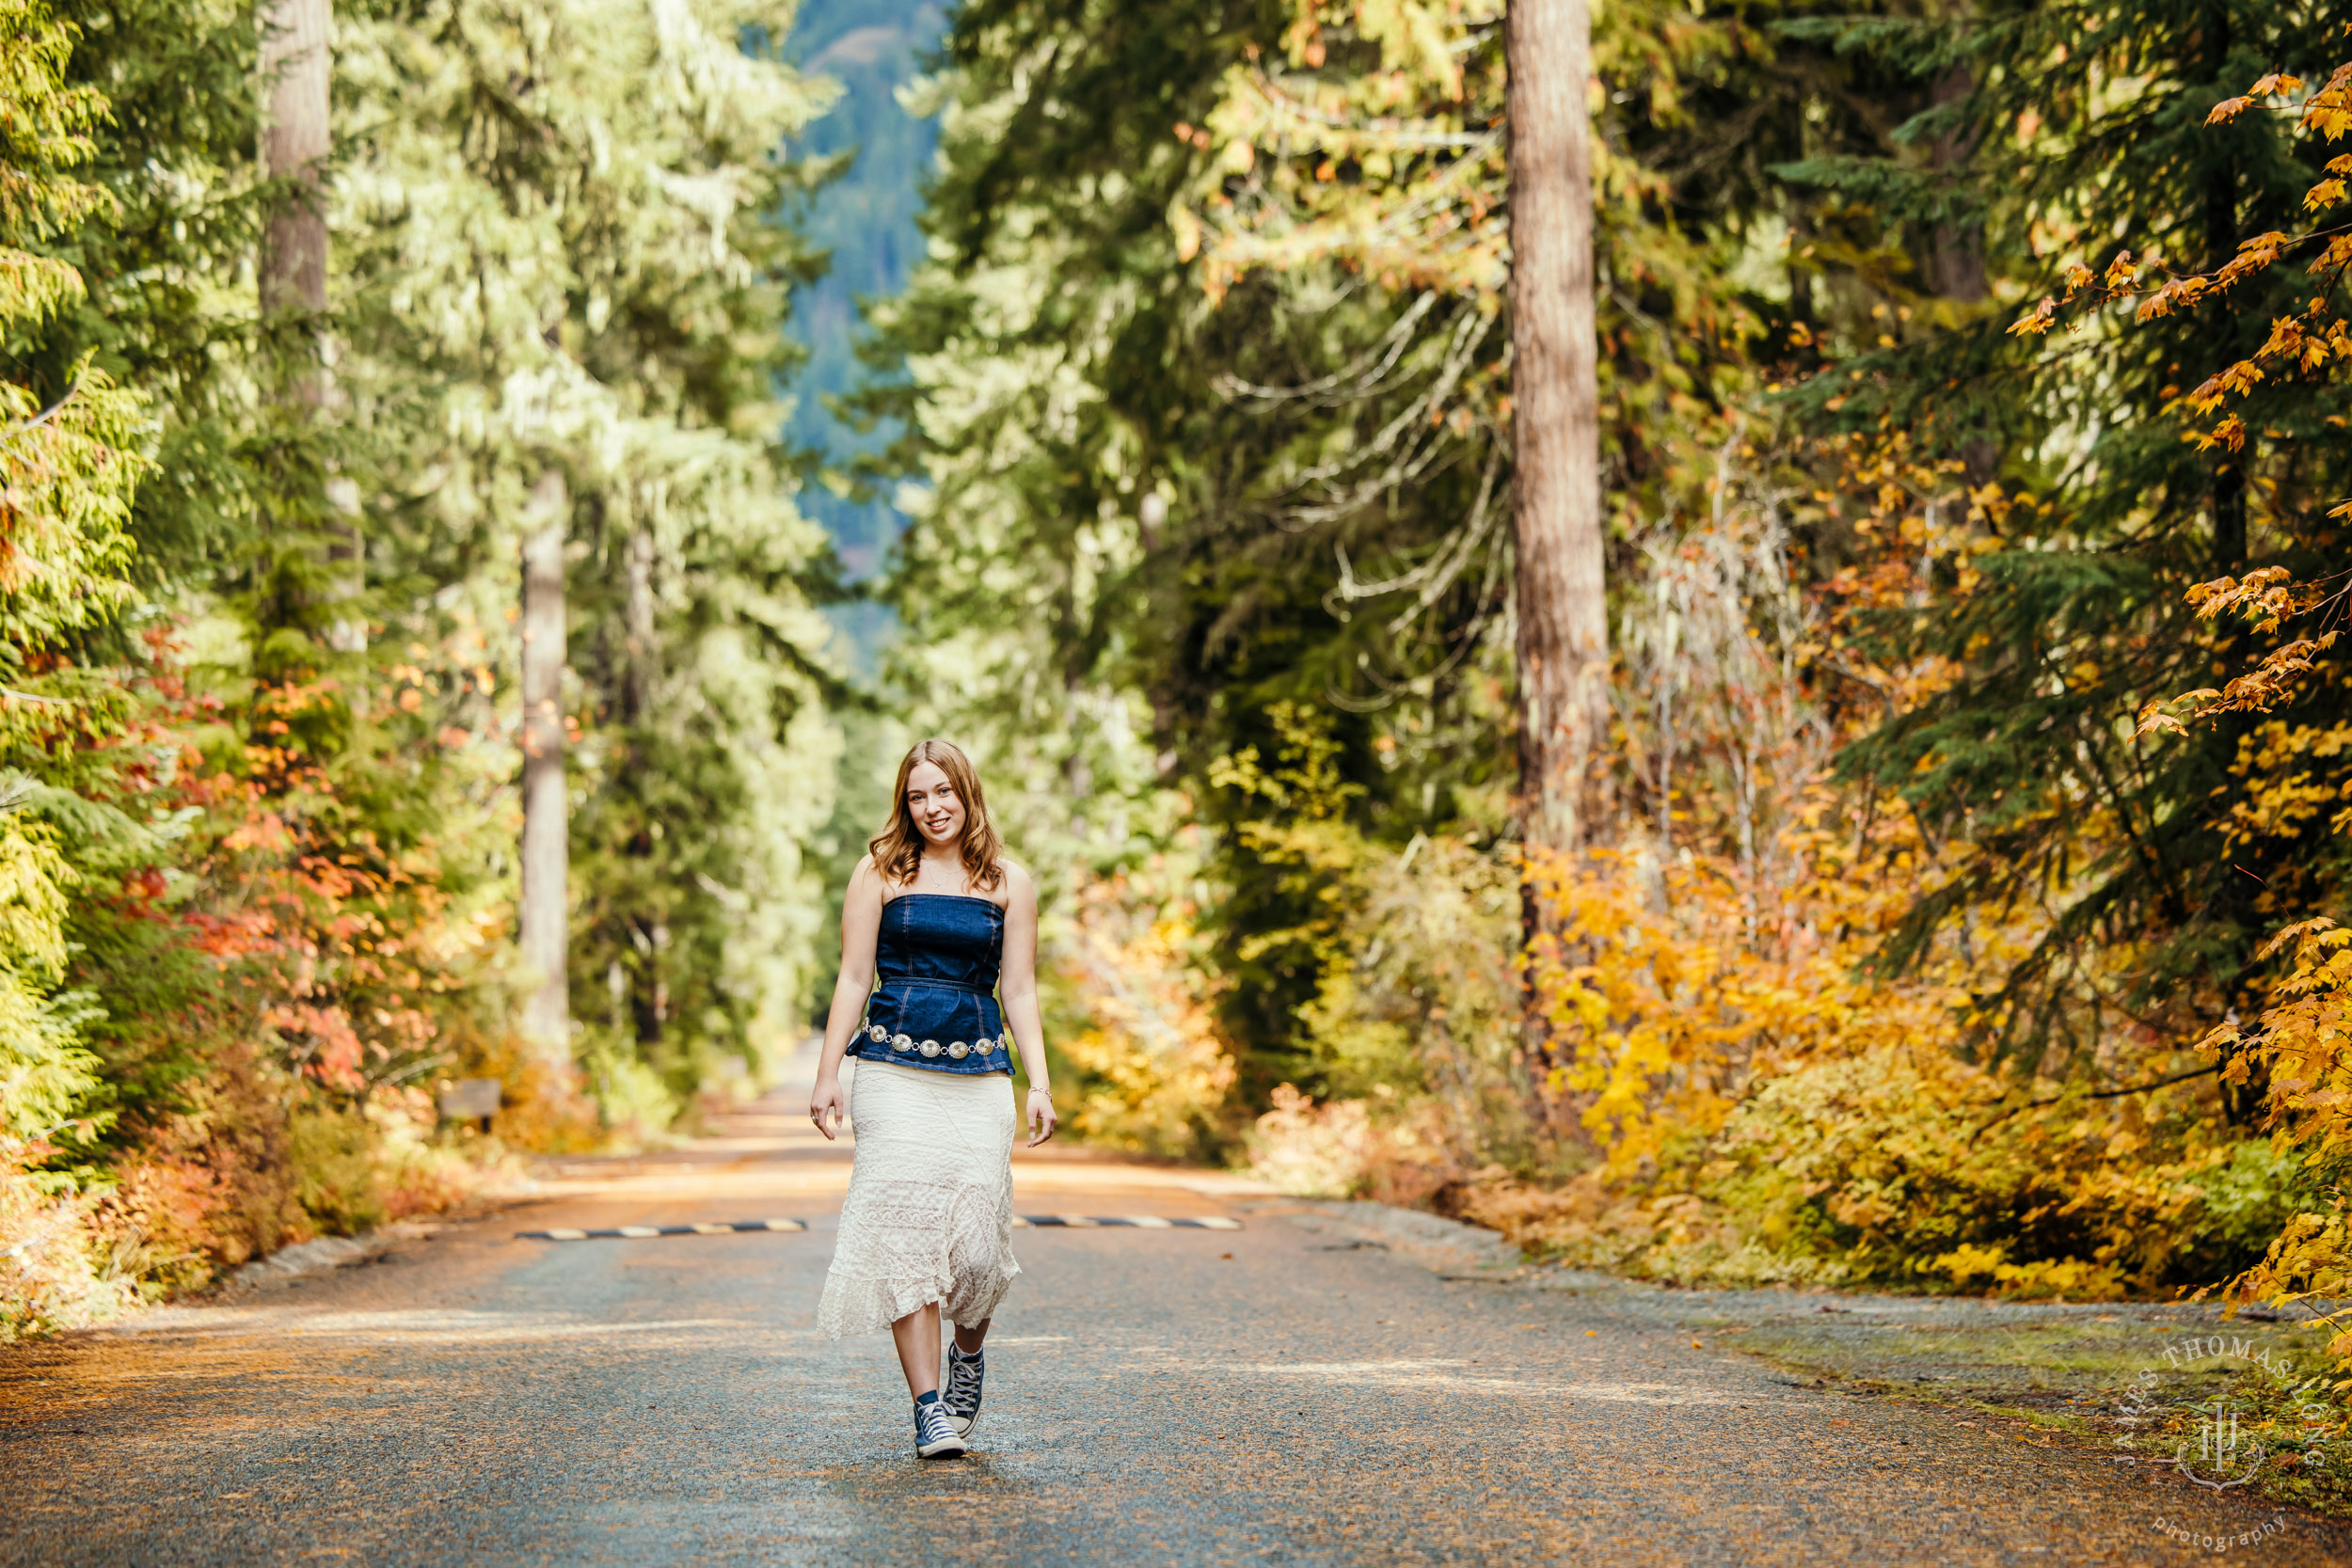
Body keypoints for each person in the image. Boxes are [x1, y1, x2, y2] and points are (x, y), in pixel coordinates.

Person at [810, 738, 1057, 1459]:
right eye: (917, 796)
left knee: (977, 1247)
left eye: (942, 792)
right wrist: (828, 1074)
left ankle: (968, 1360)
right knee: (904, 1234)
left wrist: (1038, 1081)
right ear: (904, 802)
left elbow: (1019, 988)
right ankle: (928, 1409)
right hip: (891, 1070)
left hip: (980, 1074)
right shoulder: (880, 871)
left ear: (967, 793)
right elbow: (854, 977)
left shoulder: (1010, 880)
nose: (932, 808)